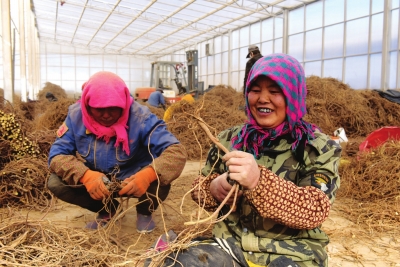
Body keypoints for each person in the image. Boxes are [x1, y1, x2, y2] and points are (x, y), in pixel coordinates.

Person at [146, 54, 340, 267]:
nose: (263, 99)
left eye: (275, 92)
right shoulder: (230, 139)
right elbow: (198, 188)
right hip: (230, 246)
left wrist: (260, 183)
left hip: (293, 254)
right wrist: (213, 188)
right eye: (255, 90)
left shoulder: (317, 147)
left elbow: (315, 209)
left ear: (294, 96)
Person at [47, 71, 187, 233]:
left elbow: (176, 151)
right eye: (99, 109)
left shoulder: (141, 118)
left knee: (162, 174)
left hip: (134, 179)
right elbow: (57, 155)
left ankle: (144, 212)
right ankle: (108, 210)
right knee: (56, 182)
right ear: (87, 104)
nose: (106, 115)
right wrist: (86, 176)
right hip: (100, 182)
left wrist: (147, 175)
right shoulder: (75, 116)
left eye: (113, 108)